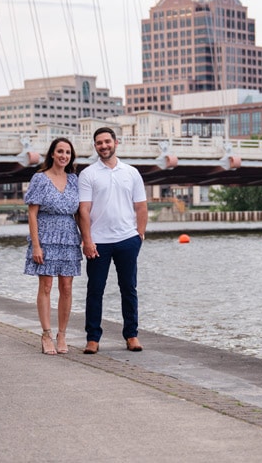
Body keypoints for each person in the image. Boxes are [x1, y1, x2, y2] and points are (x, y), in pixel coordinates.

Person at [77, 127, 148, 354]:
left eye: (107, 141)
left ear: (116, 142)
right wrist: (87, 241)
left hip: (127, 239)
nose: (104, 146)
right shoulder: (88, 174)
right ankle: (93, 338)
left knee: (128, 288)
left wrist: (140, 235)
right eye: (99, 143)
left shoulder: (131, 172)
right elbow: (84, 210)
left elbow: (141, 206)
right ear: (95, 146)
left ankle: (131, 335)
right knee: (95, 289)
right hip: (98, 242)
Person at [23, 137, 81, 355]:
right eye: (60, 151)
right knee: (46, 286)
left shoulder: (74, 180)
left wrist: (85, 238)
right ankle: (46, 334)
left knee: (66, 287)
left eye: (67, 152)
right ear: (52, 154)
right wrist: (36, 245)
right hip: (46, 236)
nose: (64, 155)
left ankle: (62, 334)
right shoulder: (39, 178)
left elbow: (78, 213)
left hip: (69, 237)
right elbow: (32, 213)